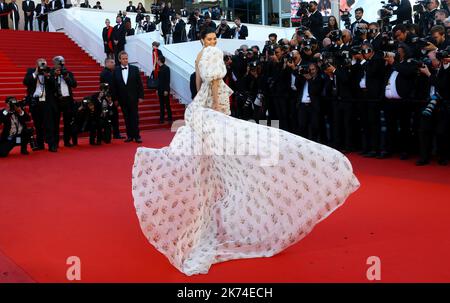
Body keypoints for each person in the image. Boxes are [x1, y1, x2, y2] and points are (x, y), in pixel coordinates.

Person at [132, 28, 360, 277]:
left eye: (214, 39)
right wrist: (222, 115)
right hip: (212, 117)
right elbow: (214, 88)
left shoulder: (200, 58)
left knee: (212, 170)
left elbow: (199, 88)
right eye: (209, 39)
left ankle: (206, 221)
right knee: (234, 162)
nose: (213, 42)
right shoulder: (213, 56)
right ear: (202, 41)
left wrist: (211, 111)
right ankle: (215, 221)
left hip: (201, 116)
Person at [23, 58, 58, 152]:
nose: (43, 66)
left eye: (44, 64)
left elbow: (55, 86)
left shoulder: (49, 71)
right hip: (35, 101)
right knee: (37, 124)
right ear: (37, 65)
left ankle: (51, 145)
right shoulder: (31, 71)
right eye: (41, 64)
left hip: (46, 102)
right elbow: (26, 82)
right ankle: (40, 144)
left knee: (49, 124)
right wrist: (36, 73)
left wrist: (48, 76)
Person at [111, 51, 144, 143]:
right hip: (122, 99)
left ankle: (137, 136)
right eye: (123, 59)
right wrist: (115, 99)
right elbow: (114, 86)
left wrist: (141, 96)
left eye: (126, 58)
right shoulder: (116, 71)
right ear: (119, 60)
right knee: (126, 118)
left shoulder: (135, 69)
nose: (125, 60)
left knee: (134, 117)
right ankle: (129, 136)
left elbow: (140, 84)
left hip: (133, 98)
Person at [52, 56, 78, 148]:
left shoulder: (68, 73)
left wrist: (66, 76)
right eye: (59, 62)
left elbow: (74, 85)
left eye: (62, 62)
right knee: (55, 122)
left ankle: (67, 141)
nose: (61, 64)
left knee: (68, 122)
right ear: (54, 63)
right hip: (56, 101)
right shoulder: (51, 73)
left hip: (67, 100)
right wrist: (55, 76)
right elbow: (49, 86)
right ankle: (55, 142)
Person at [100, 58, 123, 139]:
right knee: (113, 117)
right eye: (112, 62)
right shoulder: (107, 74)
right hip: (110, 99)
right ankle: (114, 134)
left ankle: (110, 134)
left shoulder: (107, 72)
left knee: (110, 117)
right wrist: (115, 99)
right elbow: (111, 88)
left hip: (108, 98)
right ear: (106, 63)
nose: (114, 64)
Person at [156, 56, 172, 124]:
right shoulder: (159, 68)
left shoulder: (166, 68)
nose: (156, 61)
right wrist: (157, 89)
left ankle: (170, 118)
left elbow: (167, 80)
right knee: (161, 104)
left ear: (159, 60)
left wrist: (166, 90)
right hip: (160, 89)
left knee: (167, 104)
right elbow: (159, 80)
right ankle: (161, 119)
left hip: (165, 90)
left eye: (157, 60)